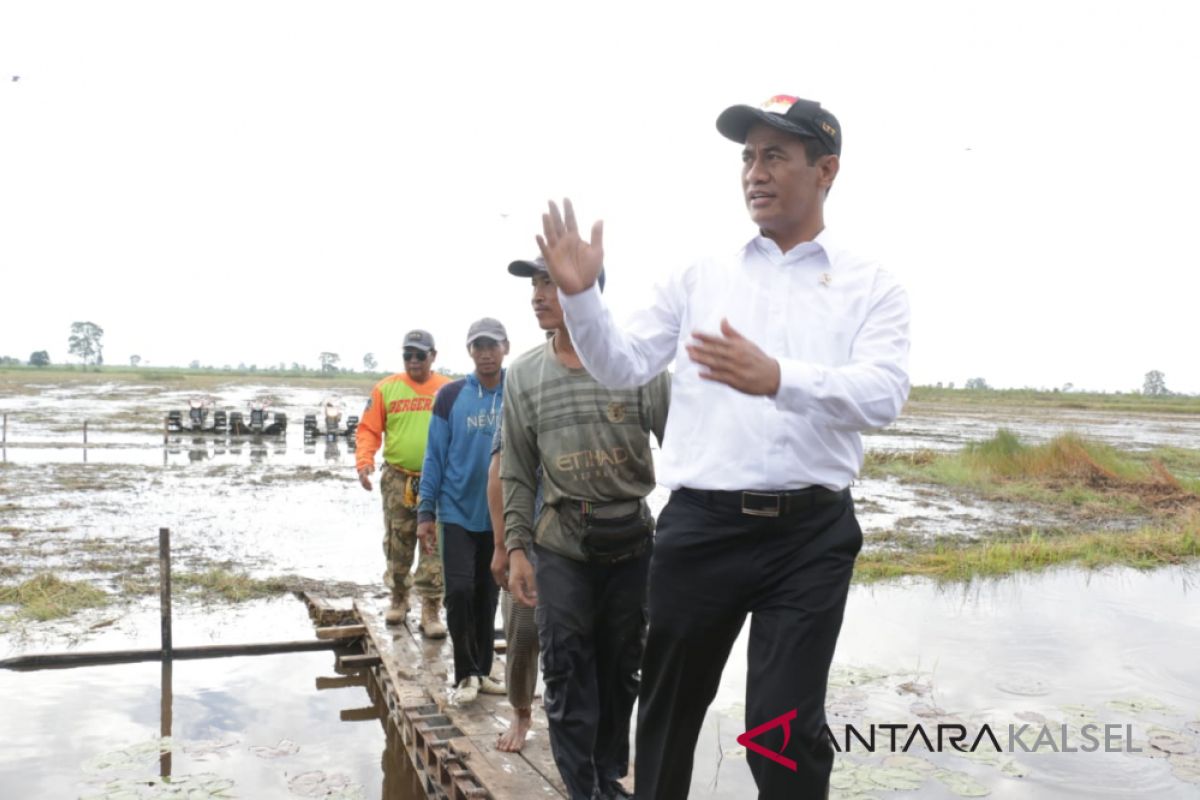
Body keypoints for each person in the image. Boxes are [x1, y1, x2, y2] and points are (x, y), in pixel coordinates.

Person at [536, 96, 911, 799]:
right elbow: (620, 364)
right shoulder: (699, 275)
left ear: (826, 169)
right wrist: (582, 297)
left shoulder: (871, 286)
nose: (755, 172)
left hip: (811, 534)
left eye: (775, 155)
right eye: (747, 157)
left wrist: (779, 378)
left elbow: (883, 394)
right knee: (668, 716)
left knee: (784, 730)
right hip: (701, 531)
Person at [501, 257, 670, 800]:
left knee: (623, 669)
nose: (537, 295)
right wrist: (517, 548)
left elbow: (687, 452)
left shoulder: (636, 365)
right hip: (562, 543)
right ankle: (582, 788)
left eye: (548, 281)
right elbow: (517, 469)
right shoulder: (524, 374)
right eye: (534, 284)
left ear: (586, 290)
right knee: (567, 667)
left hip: (631, 543)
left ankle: (607, 775)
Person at [417, 318, 510, 703]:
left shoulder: (518, 392)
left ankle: (484, 670)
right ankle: (465, 674)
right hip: (455, 511)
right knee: (458, 591)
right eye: (478, 346)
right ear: (469, 351)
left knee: (487, 596)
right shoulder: (451, 396)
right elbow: (434, 456)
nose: (485, 353)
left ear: (506, 347)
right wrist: (426, 511)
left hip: (500, 515)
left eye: (492, 345)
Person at [355, 329, 451, 637]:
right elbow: (368, 430)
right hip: (398, 479)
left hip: (437, 481)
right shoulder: (387, 389)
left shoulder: (448, 390)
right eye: (407, 355)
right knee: (398, 541)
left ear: (433, 356)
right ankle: (398, 597)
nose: (413, 361)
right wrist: (364, 461)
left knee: (434, 544)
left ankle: (431, 608)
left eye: (420, 355)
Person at [486, 400, 542, 752]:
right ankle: (521, 712)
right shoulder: (524, 391)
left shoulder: (610, 379)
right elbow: (499, 471)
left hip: (588, 535)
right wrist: (502, 544)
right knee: (522, 632)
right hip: (529, 534)